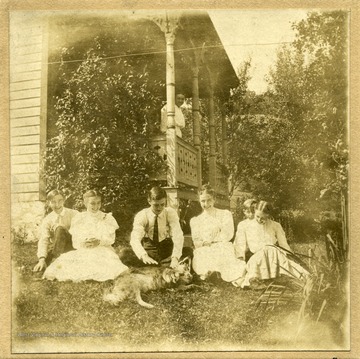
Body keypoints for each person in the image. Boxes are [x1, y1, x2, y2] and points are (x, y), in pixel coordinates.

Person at [43, 190, 128, 282]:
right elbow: (75, 242)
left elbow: (111, 239)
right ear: (85, 203)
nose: (96, 206)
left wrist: (99, 242)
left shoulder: (107, 217)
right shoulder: (79, 218)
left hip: (103, 249)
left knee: (107, 265)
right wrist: (83, 243)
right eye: (92, 203)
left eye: (98, 203)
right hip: (84, 249)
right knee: (69, 265)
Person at [233, 200, 309, 288]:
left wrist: (290, 256)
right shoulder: (244, 225)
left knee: (275, 253)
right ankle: (263, 279)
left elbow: (284, 245)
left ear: (268, 216)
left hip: (274, 255)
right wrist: (240, 260)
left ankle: (298, 277)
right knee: (263, 254)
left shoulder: (276, 225)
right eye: (257, 216)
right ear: (254, 212)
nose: (259, 220)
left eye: (263, 218)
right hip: (257, 257)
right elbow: (240, 245)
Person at [123, 186, 192, 269]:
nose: (159, 208)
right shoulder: (142, 215)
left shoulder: (170, 213)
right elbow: (135, 239)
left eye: (162, 204)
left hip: (167, 250)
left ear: (165, 201)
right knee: (124, 254)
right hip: (149, 250)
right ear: (149, 201)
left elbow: (178, 236)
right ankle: (159, 266)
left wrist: (175, 257)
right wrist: (144, 256)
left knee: (188, 251)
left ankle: (160, 266)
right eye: (156, 205)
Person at [190, 184, 246, 283]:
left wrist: (214, 239)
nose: (206, 203)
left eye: (209, 200)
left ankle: (218, 273)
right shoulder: (196, 220)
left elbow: (228, 234)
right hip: (205, 248)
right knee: (202, 254)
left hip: (221, 246)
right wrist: (204, 243)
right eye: (203, 201)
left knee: (221, 251)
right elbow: (196, 241)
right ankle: (212, 274)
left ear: (214, 199)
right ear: (199, 200)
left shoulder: (224, 214)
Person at [33, 190, 78, 272]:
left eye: (60, 201)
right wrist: (41, 259)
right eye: (53, 202)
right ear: (48, 203)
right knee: (43, 262)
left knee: (60, 228)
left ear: (64, 200)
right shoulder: (48, 219)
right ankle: (54, 260)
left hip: (73, 246)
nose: (57, 205)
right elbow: (44, 239)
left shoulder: (74, 214)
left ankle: (55, 260)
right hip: (58, 248)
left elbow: (82, 232)